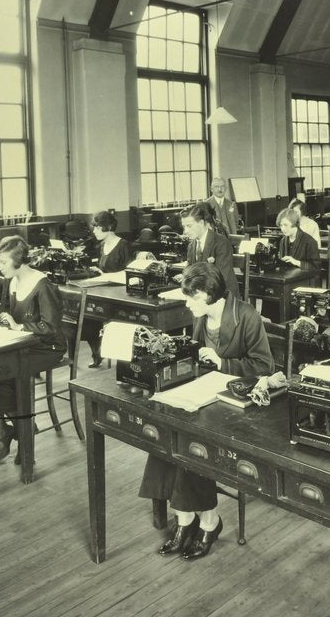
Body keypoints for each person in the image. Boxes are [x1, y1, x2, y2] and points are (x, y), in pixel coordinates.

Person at [139, 263, 273, 560]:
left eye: (190, 298)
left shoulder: (246, 315)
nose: (186, 305)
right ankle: (186, 519)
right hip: (206, 395)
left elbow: (265, 367)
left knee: (189, 437)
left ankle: (208, 520)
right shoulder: (202, 316)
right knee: (166, 428)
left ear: (206, 294)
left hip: (237, 405)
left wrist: (223, 363)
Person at [0, 236, 68, 464]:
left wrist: (18, 326)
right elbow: (10, 315)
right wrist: (0, 317)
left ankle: (22, 434)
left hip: (47, 347)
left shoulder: (43, 285)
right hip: (21, 343)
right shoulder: (12, 281)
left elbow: (51, 327)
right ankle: (5, 432)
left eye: (3, 262)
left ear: (20, 261)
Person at [84, 210, 131, 368]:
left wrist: (109, 276)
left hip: (121, 295)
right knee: (88, 317)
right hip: (103, 291)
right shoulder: (101, 246)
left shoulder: (123, 245)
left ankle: (121, 360)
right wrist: (98, 272)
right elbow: (102, 268)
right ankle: (97, 352)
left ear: (108, 227)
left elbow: (130, 273)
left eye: (97, 227)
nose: (94, 231)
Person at [182, 202, 240, 298]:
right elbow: (188, 270)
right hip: (201, 294)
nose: (185, 231)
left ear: (201, 223)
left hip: (223, 297)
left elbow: (221, 278)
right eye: (184, 227)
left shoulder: (221, 242)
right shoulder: (192, 245)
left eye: (189, 226)